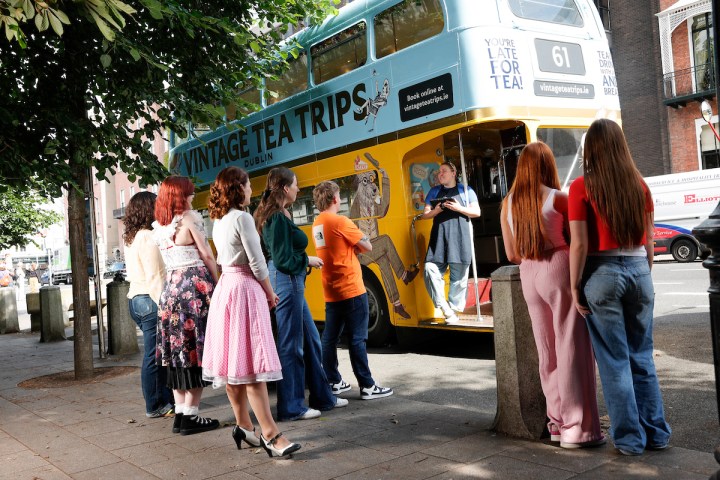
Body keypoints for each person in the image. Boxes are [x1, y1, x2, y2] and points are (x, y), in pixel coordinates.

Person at [569, 118, 671, 456]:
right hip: (639, 269)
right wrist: (643, 272)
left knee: (614, 361)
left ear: (591, 149)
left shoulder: (581, 187)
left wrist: (574, 286)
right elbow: (651, 241)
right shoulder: (639, 184)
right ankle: (657, 434)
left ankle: (629, 440)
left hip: (602, 271)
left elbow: (580, 245)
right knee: (642, 356)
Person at [500, 142, 604, 449]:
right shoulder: (558, 198)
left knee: (546, 351)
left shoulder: (507, 204)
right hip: (558, 266)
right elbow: (580, 240)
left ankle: (556, 424)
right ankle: (578, 430)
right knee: (571, 345)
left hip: (529, 274)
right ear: (548, 166)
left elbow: (511, 254)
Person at [203, 166, 300, 457]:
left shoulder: (218, 220)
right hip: (245, 288)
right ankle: (271, 435)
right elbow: (257, 263)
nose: (251, 190)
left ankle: (245, 426)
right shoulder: (243, 218)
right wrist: (271, 293)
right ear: (237, 188)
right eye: (246, 185)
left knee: (233, 366)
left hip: (226, 290)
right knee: (255, 366)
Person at [254, 167, 348, 421]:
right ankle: (292, 406)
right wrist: (308, 260)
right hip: (288, 281)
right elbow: (283, 259)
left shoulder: (275, 214)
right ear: (285, 188)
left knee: (310, 340)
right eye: (295, 185)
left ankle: (322, 397)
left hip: (289, 281)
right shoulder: (275, 217)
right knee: (292, 345)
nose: (298, 189)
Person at [311, 181, 394, 400]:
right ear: (335, 199)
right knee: (358, 338)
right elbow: (367, 245)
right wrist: (354, 245)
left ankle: (334, 381)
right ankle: (367, 385)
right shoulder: (341, 221)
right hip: (351, 287)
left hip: (331, 288)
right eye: (339, 195)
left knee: (330, 338)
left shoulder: (317, 223)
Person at [153, 175, 220, 435]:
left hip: (170, 291)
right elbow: (206, 253)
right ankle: (190, 415)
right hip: (194, 287)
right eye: (190, 192)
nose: (193, 196)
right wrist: (218, 281)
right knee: (196, 348)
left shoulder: (160, 225)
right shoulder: (190, 218)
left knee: (177, 352)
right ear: (181, 195)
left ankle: (181, 414)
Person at [123, 191, 174, 419]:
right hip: (149, 299)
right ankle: (154, 405)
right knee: (154, 356)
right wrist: (164, 305)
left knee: (154, 354)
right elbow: (155, 276)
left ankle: (162, 400)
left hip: (136, 298)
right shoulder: (147, 237)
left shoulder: (132, 237)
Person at [419, 161, 481, 323]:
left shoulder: (466, 190)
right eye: (439, 172)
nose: (440, 174)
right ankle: (445, 308)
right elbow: (425, 215)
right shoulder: (434, 191)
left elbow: (476, 212)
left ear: (453, 173)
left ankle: (452, 311)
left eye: (444, 171)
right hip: (439, 237)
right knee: (429, 269)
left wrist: (458, 208)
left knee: (458, 280)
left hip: (460, 237)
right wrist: (437, 210)